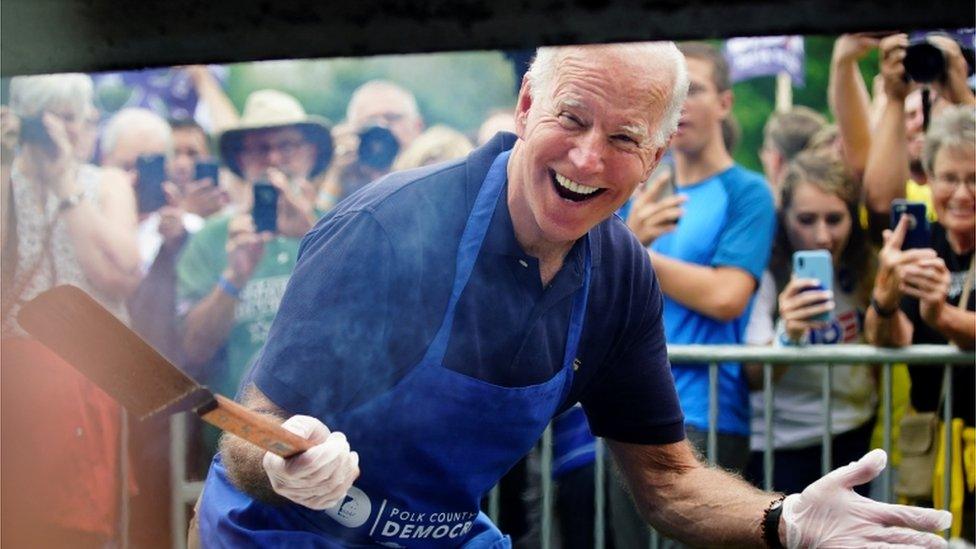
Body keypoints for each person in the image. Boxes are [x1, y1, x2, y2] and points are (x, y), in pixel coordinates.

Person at [195, 42, 952, 548]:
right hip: (280, 531)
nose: (588, 157)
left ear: (655, 157)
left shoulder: (619, 278)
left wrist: (781, 518)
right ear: (526, 106)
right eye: (571, 118)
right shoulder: (387, 226)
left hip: (436, 531)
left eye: (624, 138)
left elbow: (668, 482)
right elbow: (246, 432)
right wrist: (287, 461)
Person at [1, 73, 141, 548]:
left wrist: (65, 184)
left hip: (91, 375)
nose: (60, 131)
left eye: (69, 119)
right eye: (48, 119)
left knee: (86, 524)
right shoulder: (4, 179)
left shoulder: (107, 183)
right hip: (16, 384)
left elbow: (121, 270)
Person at [177, 89, 330, 465]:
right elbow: (191, 351)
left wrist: (311, 233)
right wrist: (234, 276)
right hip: (238, 445)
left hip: (328, 440)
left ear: (311, 155)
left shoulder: (338, 225)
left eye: (288, 146)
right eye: (260, 148)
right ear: (241, 160)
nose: (274, 159)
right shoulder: (213, 238)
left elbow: (372, 323)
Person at [865, 105, 975, 541]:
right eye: (950, 178)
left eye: (974, 178)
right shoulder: (920, 244)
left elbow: (937, 321)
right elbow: (890, 341)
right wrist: (886, 299)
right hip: (929, 448)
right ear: (928, 177)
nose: (963, 193)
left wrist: (942, 316)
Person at [743, 150, 879, 496]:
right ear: (784, 217)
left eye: (835, 219)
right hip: (782, 445)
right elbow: (755, 375)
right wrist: (790, 333)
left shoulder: (865, 267)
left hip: (853, 436)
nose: (822, 236)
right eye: (806, 219)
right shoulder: (768, 273)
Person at [758, 106, 827, 204]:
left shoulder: (756, 211)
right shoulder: (840, 207)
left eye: (766, 150)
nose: (762, 156)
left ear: (775, 160)